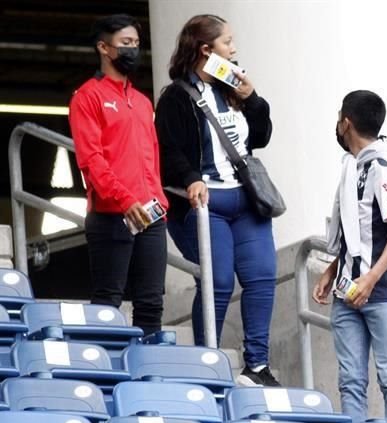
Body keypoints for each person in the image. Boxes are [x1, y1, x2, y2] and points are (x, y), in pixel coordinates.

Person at [155, 14, 279, 387]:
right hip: (206, 201)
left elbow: (260, 136)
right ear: (206, 50)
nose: (235, 49)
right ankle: (207, 359)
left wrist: (252, 100)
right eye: (228, 42)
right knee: (219, 280)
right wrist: (192, 178)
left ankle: (256, 365)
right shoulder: (177, 96)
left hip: (246, 199)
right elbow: (170, 149)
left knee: (261, 278)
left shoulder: (231, 88)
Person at [313, 90, 387, 423]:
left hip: (381, 293)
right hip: (346, 291)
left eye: (338, 119)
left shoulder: (381, 165)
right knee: (350, 382)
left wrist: (370, 278)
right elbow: (359, 231)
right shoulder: (352, 167)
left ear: (346, 123)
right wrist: (332, 270)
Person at [69, 14, 167, 336]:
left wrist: (159, 201)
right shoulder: (87, 96)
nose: (133, 50)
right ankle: (104, 370)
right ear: (103, 47)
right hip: (111, 214)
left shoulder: (141, 101)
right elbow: (91, 159)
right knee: (108, 301)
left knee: (151, 301)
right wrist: (125, 199)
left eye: (136, 44)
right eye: (126, 44)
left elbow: (151, 156)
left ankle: (148, 374)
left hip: (150, 216)